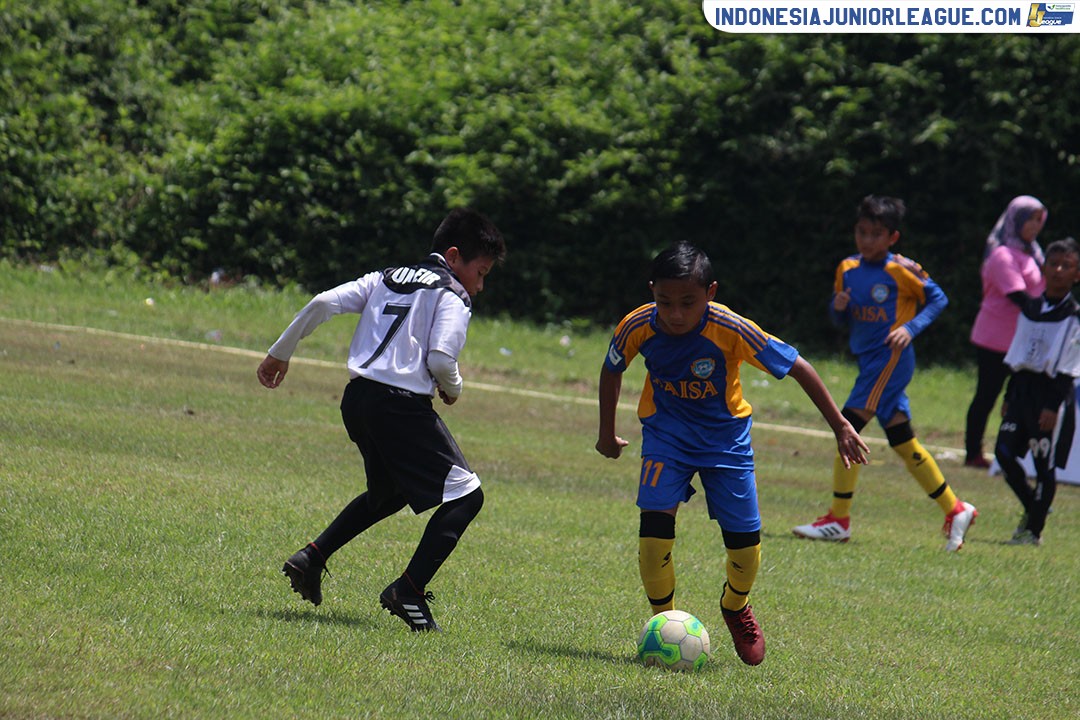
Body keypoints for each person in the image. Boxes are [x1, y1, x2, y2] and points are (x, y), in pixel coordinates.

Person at [595, 242, 868, 667]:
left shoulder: (732, 328)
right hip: (666, 436)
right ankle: (664, 625)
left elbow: (798, 366)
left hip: (726, 443)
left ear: (711, 292)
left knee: (744, 549)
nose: (676, 313)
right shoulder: (638, 325)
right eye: (665, 301)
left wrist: (840, 425)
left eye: (688, 302)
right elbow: (612, 369)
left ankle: (735, 604)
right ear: (652, 292)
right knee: (652, 535)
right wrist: (607, 434)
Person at [258, 208, 506, 632]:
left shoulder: (386, 276)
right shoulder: (452, 294)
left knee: (389, 491)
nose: (479, 286)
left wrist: (280, 351)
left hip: (357, 400)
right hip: (399, 406)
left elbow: (323, 302)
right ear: (453, 255)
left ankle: (311, 557)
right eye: (480, 272)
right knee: (467, 497)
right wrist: (454, 388)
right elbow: (442, 358)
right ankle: (407, 590)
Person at [793, 195, 979, 551]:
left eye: (876, 234)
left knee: (846, 428)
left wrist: (911, 328)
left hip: (890, 359)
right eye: (862, 232)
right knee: (901, 439)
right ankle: (955, 509)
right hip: (869, 361)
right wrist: (838, 307)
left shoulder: (903, 268)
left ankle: (838, 519)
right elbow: (838, 317)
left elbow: (939, 299)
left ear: (892, 237)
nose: (867, 240)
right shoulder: (847, 268)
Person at [994, 237, 1080, 546]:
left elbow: (1069, 365)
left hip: (1050, 395)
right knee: (1003, 452)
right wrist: (1008, 395)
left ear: (1076, 274)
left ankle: (1033, 531)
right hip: (1022, 391)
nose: (1057, 270)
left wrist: (1053, 406)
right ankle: (1035, 508)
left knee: (1044, 465)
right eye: (1053, 263)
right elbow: (1018, 352)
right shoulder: (1030, 308)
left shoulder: (1073, 316)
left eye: (1066, 266)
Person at [965, 196, 1048, 468]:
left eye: (1040, 219)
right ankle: (973, 452)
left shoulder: (1033, 252)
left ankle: (1014, 452)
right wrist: (1055, 315)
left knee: (1022, 396)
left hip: (1024, 339)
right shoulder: (1002, 254)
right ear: (1017, 220)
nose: (1035, 226)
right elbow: (1018, 296)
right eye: (1031, 219)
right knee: (987, 395)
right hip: (995, 338)